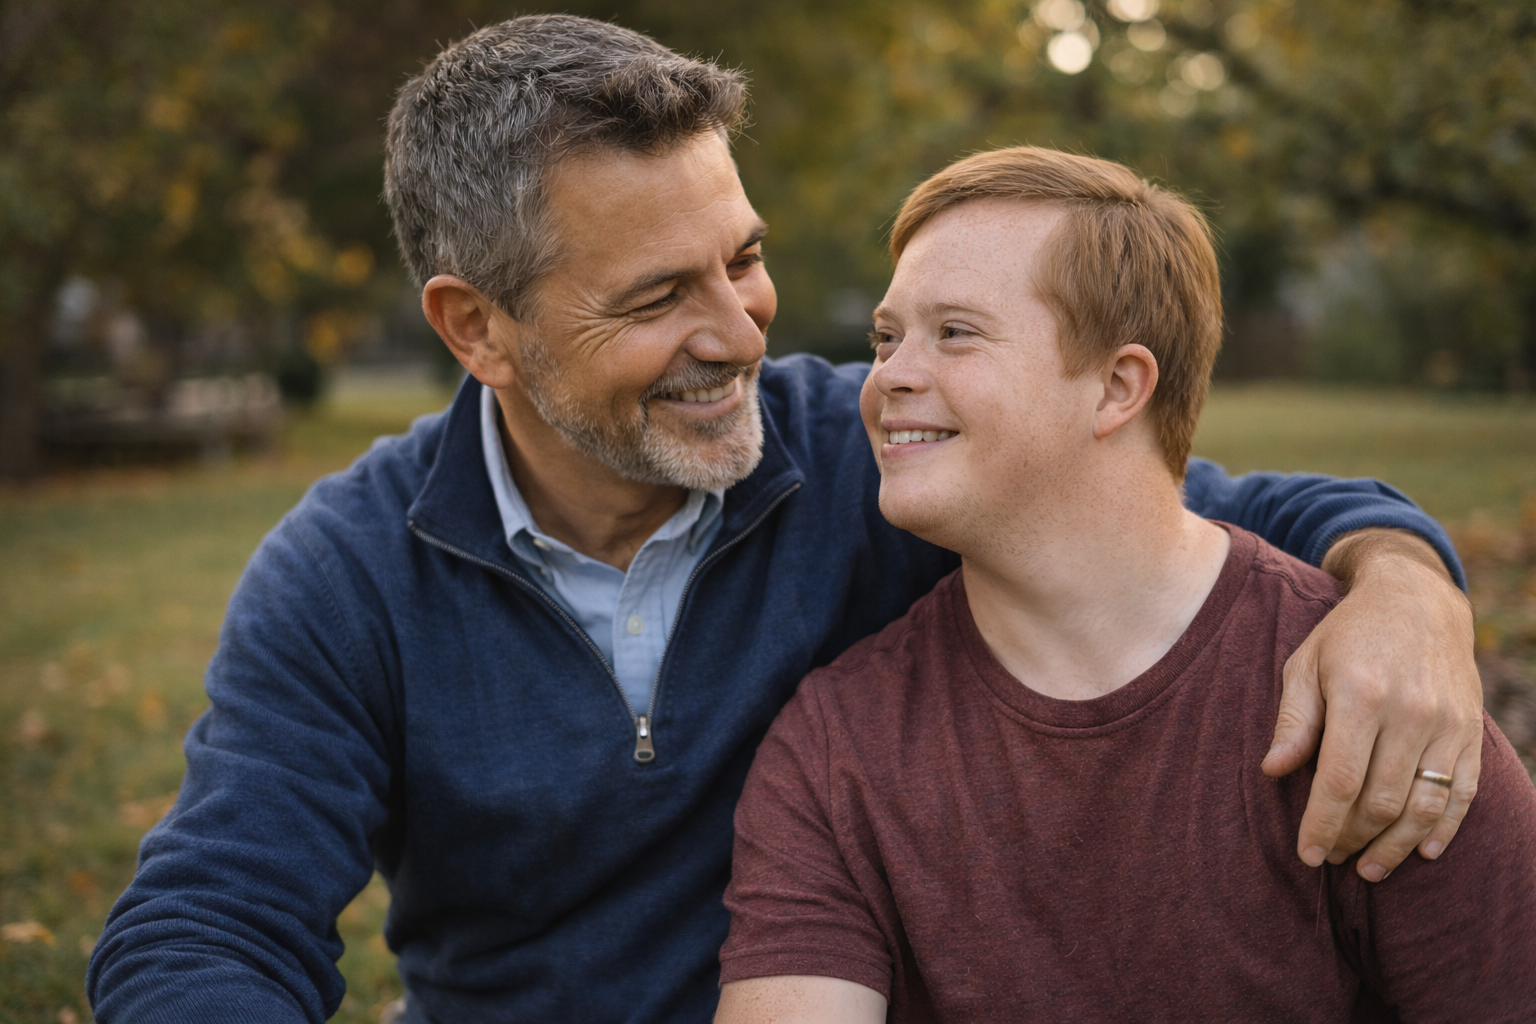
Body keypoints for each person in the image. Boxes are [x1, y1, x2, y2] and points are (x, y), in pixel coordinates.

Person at [88, 17, 1484, 1024]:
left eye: (743, 259)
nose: (735, 334)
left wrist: (1407, 587)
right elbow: (208, 922)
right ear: (479, 329)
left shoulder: (871, 454)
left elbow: (1206, 512)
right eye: (653, 299)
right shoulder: (348, 577)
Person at [714, 147, 1536, 1023]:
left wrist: (1406, 577)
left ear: (1116, 387)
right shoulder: (837, 744)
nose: (888, 377)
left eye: (955, 332)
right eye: (888, 337)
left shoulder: (1375, 699)